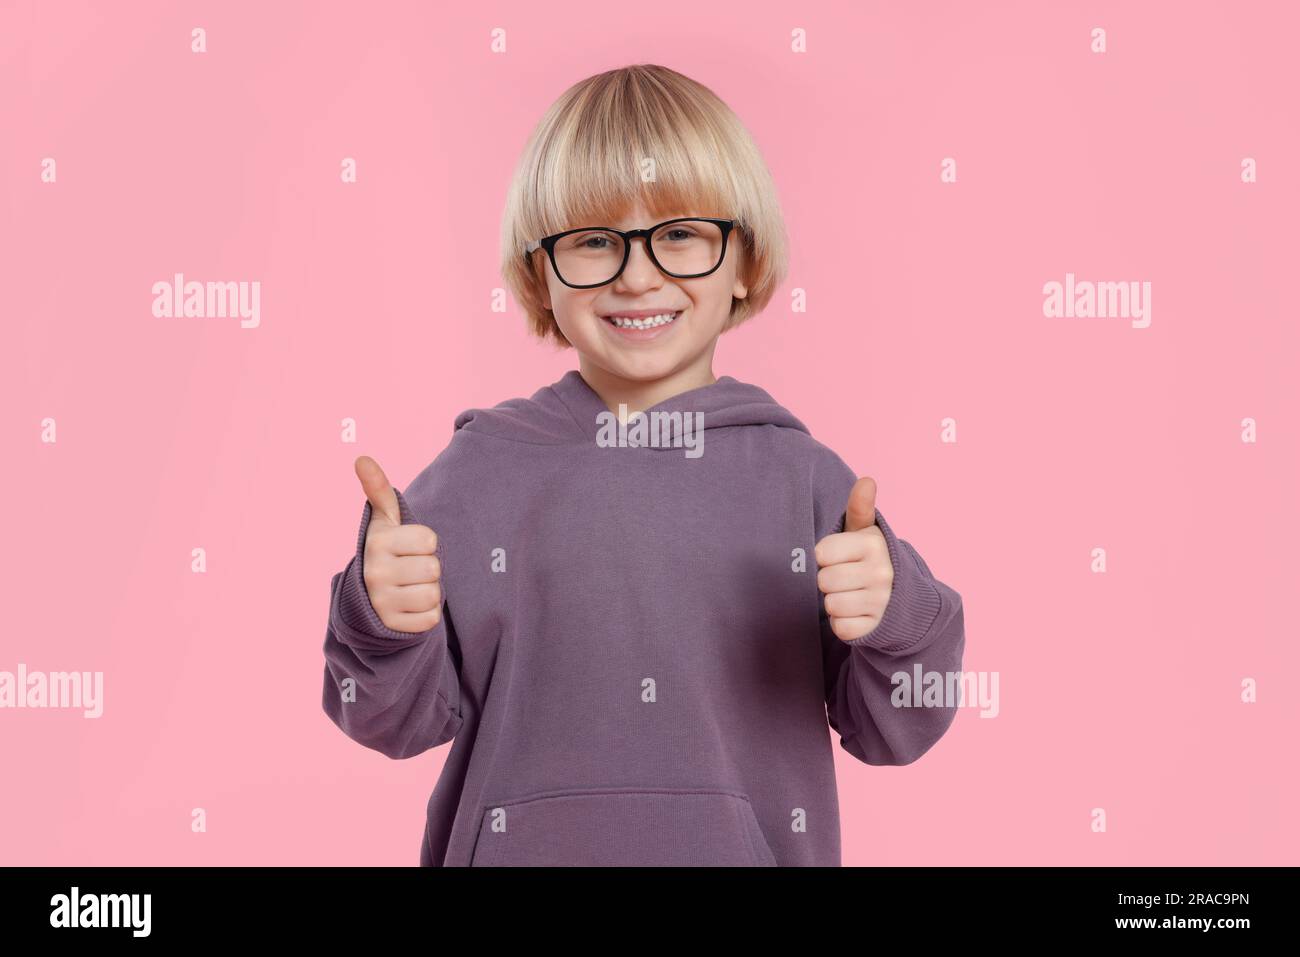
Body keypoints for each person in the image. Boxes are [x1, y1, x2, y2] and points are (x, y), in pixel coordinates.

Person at [321, 63, 965, 866]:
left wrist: (896, 621)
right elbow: (389, 720)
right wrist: (379, 619)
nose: (637, 273)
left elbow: (897, 727)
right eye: (594, 240)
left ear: (743, 260)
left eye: (680, 235)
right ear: (538, 270)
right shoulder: (475, 473)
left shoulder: (804, 481)